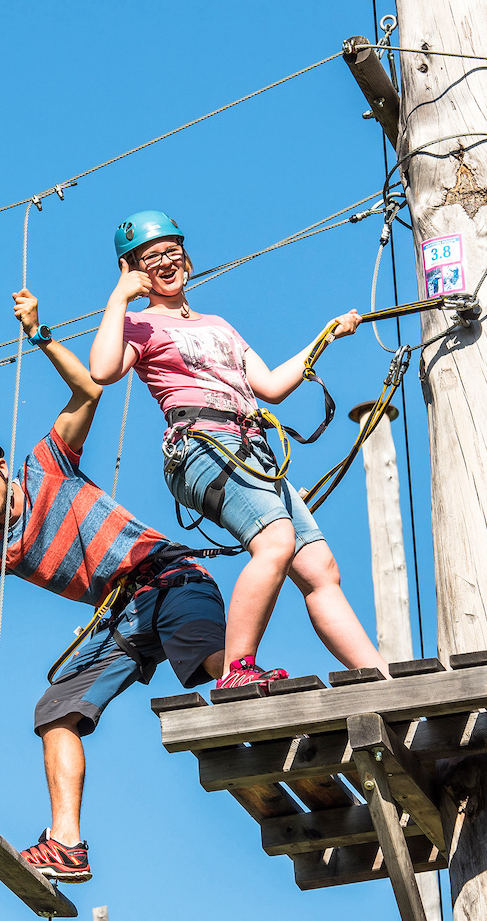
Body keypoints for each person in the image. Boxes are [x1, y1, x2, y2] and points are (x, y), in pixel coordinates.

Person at [0, 287, 231, 884]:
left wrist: (40, 334)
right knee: (56, 709)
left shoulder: (47, 462)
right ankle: (66, 842)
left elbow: (89, 390)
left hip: (169, 579)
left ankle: (280, 713)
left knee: (216, 673)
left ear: (0, 462)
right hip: (123, 616)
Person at [89, 211, 387, 693]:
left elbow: (269, 387)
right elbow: (102, 371)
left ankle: (380, 677)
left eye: (172, 250)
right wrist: (120, 298)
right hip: (202, 443)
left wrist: (324, 337)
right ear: (134, 268)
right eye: (152, 256)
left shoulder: (219, 325)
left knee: (318, 566)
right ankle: (237, 669)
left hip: (252, 448)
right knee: (275, 542)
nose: (166, 261)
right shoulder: (138, 325)